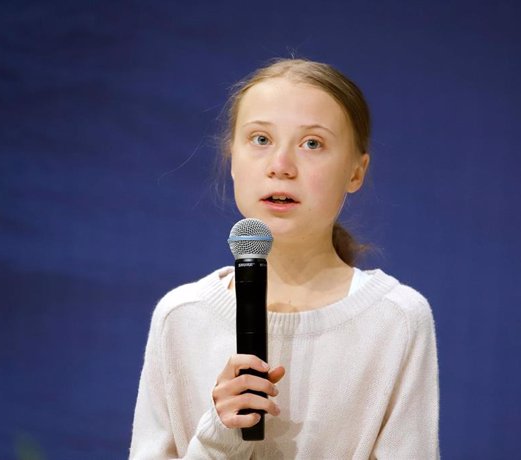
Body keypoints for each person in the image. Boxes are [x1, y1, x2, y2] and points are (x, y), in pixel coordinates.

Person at [130, 58, 439, 459]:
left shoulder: (396, 319)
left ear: (356, 172)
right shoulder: (181, 316)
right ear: (231, 158)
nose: (281, 167)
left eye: (312, 143)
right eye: (260, 140)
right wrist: (218, 435)